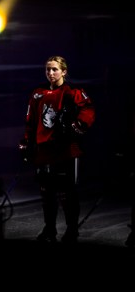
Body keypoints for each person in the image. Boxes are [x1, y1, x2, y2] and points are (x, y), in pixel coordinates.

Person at [19, 55, 96, 243]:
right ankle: (50, 229)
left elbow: (88, 110)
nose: (51, 73)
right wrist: (27, 142)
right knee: (46, 193)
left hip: (64, 149)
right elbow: (31, 121)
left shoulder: (73, 91)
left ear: (64, 71)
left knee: (66, 193)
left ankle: (71, 230)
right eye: (48, 69)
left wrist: (76, 127)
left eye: (54, 69)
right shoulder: (38, 93)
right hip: (43, 149)